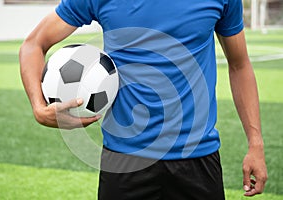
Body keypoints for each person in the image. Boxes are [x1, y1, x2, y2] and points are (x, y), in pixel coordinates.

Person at [19, 0, 268, 199]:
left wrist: (255, 143)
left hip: (198, 160)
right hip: (124, 162)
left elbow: (239, 65)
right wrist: (39, 108)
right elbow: (33, 44)